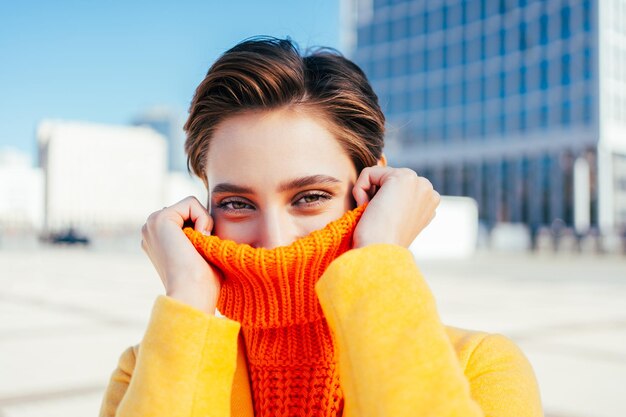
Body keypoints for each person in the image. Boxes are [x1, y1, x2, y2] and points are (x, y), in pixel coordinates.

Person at [99, 37, 543, 417]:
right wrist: (189, 299)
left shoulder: (479, 368)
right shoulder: (149, 369)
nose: (273, 241)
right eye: (237, 203)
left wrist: (379, 260)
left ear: (374, 189)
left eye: (310, 197)